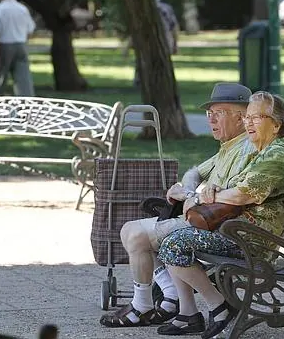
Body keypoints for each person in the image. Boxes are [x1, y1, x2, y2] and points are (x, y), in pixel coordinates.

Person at [99, 82, 256, 328]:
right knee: (131, 230)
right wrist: (189, 190)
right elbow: (194, 172)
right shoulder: (228, 147)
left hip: (217, 225)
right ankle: (174, 302)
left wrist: (192, 198)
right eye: (209, 114)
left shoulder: (246, 148)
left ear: (242, 117)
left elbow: (231, 197)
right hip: (203, 219)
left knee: (136, 235)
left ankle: (147, 305)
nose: (211, 120)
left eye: (219, 113)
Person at [156, 91, 284, 338]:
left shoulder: (276, 157)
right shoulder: (258, 150)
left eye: (258, 117)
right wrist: (214, 189)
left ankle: (219, 306)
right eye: (248, 117)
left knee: (175, 244)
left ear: (276, 125)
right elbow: (231, 189)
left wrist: (199, 197)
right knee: (173, 239)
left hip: (254, 239)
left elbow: (242, 195)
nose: (249, 122)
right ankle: (209, 308)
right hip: (237, 228)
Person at [0, 0, 36, 96]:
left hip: (4, 45)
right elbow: (30, 30)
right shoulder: (23, 9)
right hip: (21, 45)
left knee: (0, 78)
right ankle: (26, 104)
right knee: (23, 79)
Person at [132, 0, 179, 87]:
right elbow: (174, 27)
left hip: (153, 41)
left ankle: (142, 81)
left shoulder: (144, 10)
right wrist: (175, 43)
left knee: (145, 61)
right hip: (164, 41)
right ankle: (160, 83)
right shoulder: (166, 9)